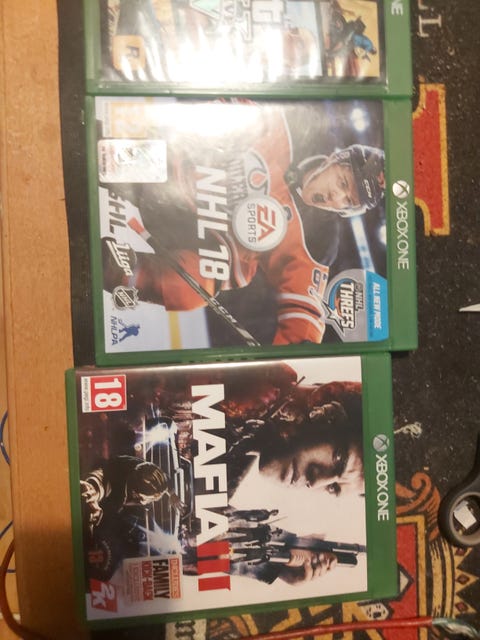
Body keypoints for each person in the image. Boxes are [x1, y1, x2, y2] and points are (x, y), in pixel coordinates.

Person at [102, 100, 385, 347]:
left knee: (191, 290)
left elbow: (304, 320)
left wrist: (292, 362)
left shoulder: (320, 241)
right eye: (342, 183)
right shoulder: (300, 130)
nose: (337, 198)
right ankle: (102, 159)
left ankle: (117, 269)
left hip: (207, 242)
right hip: (177, 174)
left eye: (348, 201)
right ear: (335, 159)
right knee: (125, 158)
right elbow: (236, 108)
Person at [80, 455, 184, 530]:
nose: (141, 500)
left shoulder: (152, 479)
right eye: (140, 497)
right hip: (104, 476)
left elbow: (165, 481)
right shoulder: (120, 493)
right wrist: (92, 491)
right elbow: (98, 483)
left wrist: (172, 494)